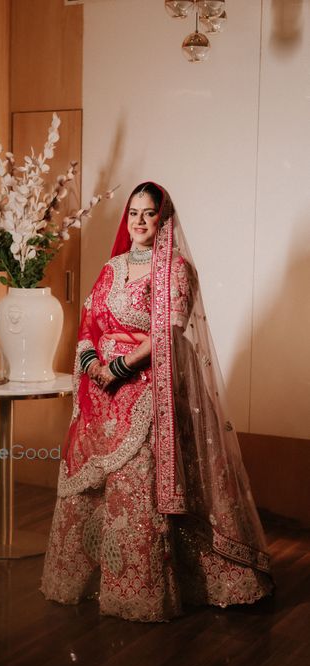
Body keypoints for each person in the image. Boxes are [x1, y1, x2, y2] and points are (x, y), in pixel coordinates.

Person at [40, 182, 274, 622]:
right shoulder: (111, 268)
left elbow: (168, 329)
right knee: (95, 486)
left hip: (150, 386)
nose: (140, 221)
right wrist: (93, 364)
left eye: (149, 213)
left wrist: (120, 367)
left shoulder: (176, 270)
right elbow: (89, 325)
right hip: (101, 392)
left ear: (163, 219)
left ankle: (140, 590)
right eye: (133, 213)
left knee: (137, 483)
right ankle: (89, 581)